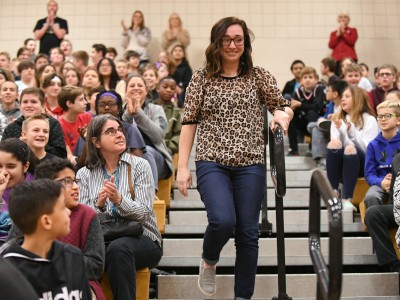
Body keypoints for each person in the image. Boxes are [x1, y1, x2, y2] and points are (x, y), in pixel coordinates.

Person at [176, 17, 293, 299]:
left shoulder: (259, 76)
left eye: (238, 39)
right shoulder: (201, 78)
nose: (232, 45)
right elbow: (189, 123)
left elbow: (282, 106)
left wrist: (281, 115)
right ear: (217, 42)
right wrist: (182, 166)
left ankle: (243, 296)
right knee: (223, 220)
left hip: (250, 163)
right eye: (226, 39)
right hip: (212, 161)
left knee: (248, 234)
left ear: (246, 43)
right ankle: (209, 259)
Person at [77, 114, 162, 299]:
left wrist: (118, 200)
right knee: (84, 253)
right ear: (96, 142)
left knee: (118, 249)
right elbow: (82, 221)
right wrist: (98, 205)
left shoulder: (140, 166)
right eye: (110, 131)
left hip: (143, 238)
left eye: (120, 130)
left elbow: (145, 213)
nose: (119, 134)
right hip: (103, 241)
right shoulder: (84, 174)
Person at [22, 159, 104, 299]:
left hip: (78, 283)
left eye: (75, 180)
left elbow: (95, 266)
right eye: (67, 182)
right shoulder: (31, 214)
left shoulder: (87, 214)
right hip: (36, 282)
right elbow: (16, 257)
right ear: (47, 186)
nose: (76, 187)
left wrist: (55, 265)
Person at [1, 179, 91, 299]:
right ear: (46, 221)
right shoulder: (8, 268)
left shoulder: (73, 256)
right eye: (63, 207)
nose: (69, 212)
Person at [326, 86, 379, 211]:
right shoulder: (337, 119)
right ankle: (333, 194)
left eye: (347, 96)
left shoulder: (370, 120)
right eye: (342, 96)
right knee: (333, 144)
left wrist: (350, 133)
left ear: (358, 99)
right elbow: (337, 144)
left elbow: (368, 150)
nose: (342, 99)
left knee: (350, 148)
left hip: (362, 164)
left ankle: (347, 199)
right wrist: (343, 133)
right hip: (341, 164)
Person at [123, 75, 174, 186]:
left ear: (146, 91)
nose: (136, 88)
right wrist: (128, 114)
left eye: (140, 85)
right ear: (126, 91)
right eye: (132, 85)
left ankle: (150, 193)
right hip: (126, 157)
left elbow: (158, 136)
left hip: (156, 159)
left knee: (146, 151)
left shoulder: (156, 109)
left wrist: (138, 114)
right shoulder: (120, 110)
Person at [2, 87, 67, 158]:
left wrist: (35, 145)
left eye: (33, 102)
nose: (29, 105)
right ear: (20, 106)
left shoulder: (53, 124)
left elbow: (61, 155)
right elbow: (3, 154)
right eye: (25, 102)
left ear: (43, 106)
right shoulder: (11, 128)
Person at [364, 153, 400, 272]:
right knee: (372, 214)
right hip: (398, 209)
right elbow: (393, 195)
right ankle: (393, 265)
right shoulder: (397, 160)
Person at [0, 138, 37, 243]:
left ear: (25, 166)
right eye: (0, 166)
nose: (4, 172)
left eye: (10, 166)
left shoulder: (37, 188)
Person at [364, 101, 400, 208]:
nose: (383, 119)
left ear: (398, 120)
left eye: (388, 116)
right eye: (380, 116)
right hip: (381, 184)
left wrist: (395, 181)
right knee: (371, 196)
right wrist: (381, 182)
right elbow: (369, 175)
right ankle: (377, 223)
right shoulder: (372, 145)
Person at [308, 78, 348, 169]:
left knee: (313, 127)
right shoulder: (330, 105)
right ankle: (322, 160)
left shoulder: (344, 106)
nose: (325, 92)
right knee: (313, 127)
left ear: (335, 94)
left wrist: (335, 117)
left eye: (328, 90)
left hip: (341, 132)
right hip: (329, 130)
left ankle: (323, 160)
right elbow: (325, 118)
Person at [287, 66, 326, 156]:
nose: (307, 80)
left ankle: (313, 148)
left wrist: (300, 104)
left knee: (311, 113)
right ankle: (293, 149)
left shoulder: (318, 89)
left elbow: (317, 107)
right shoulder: (297, 92)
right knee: (290, 116)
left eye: (310, 77)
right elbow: (296, 108)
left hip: (317, 122)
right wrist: (291, 108)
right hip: (303, 123)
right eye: (305, 78)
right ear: (301, 81)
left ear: (316, 80)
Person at [57, 86, 92, 164]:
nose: (85, 102)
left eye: (84, 99)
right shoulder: (59, 124)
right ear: (69, 103)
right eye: (81, 99)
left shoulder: (87, 116)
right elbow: (69, 155)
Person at [156, 76, 182, 154]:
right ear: (158, 88)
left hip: (166, 150)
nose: (168, 90)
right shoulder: (149, 107)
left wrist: (168, 148)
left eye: (172, 88)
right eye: (165, 87)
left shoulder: (178, 112)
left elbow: (179, 135)